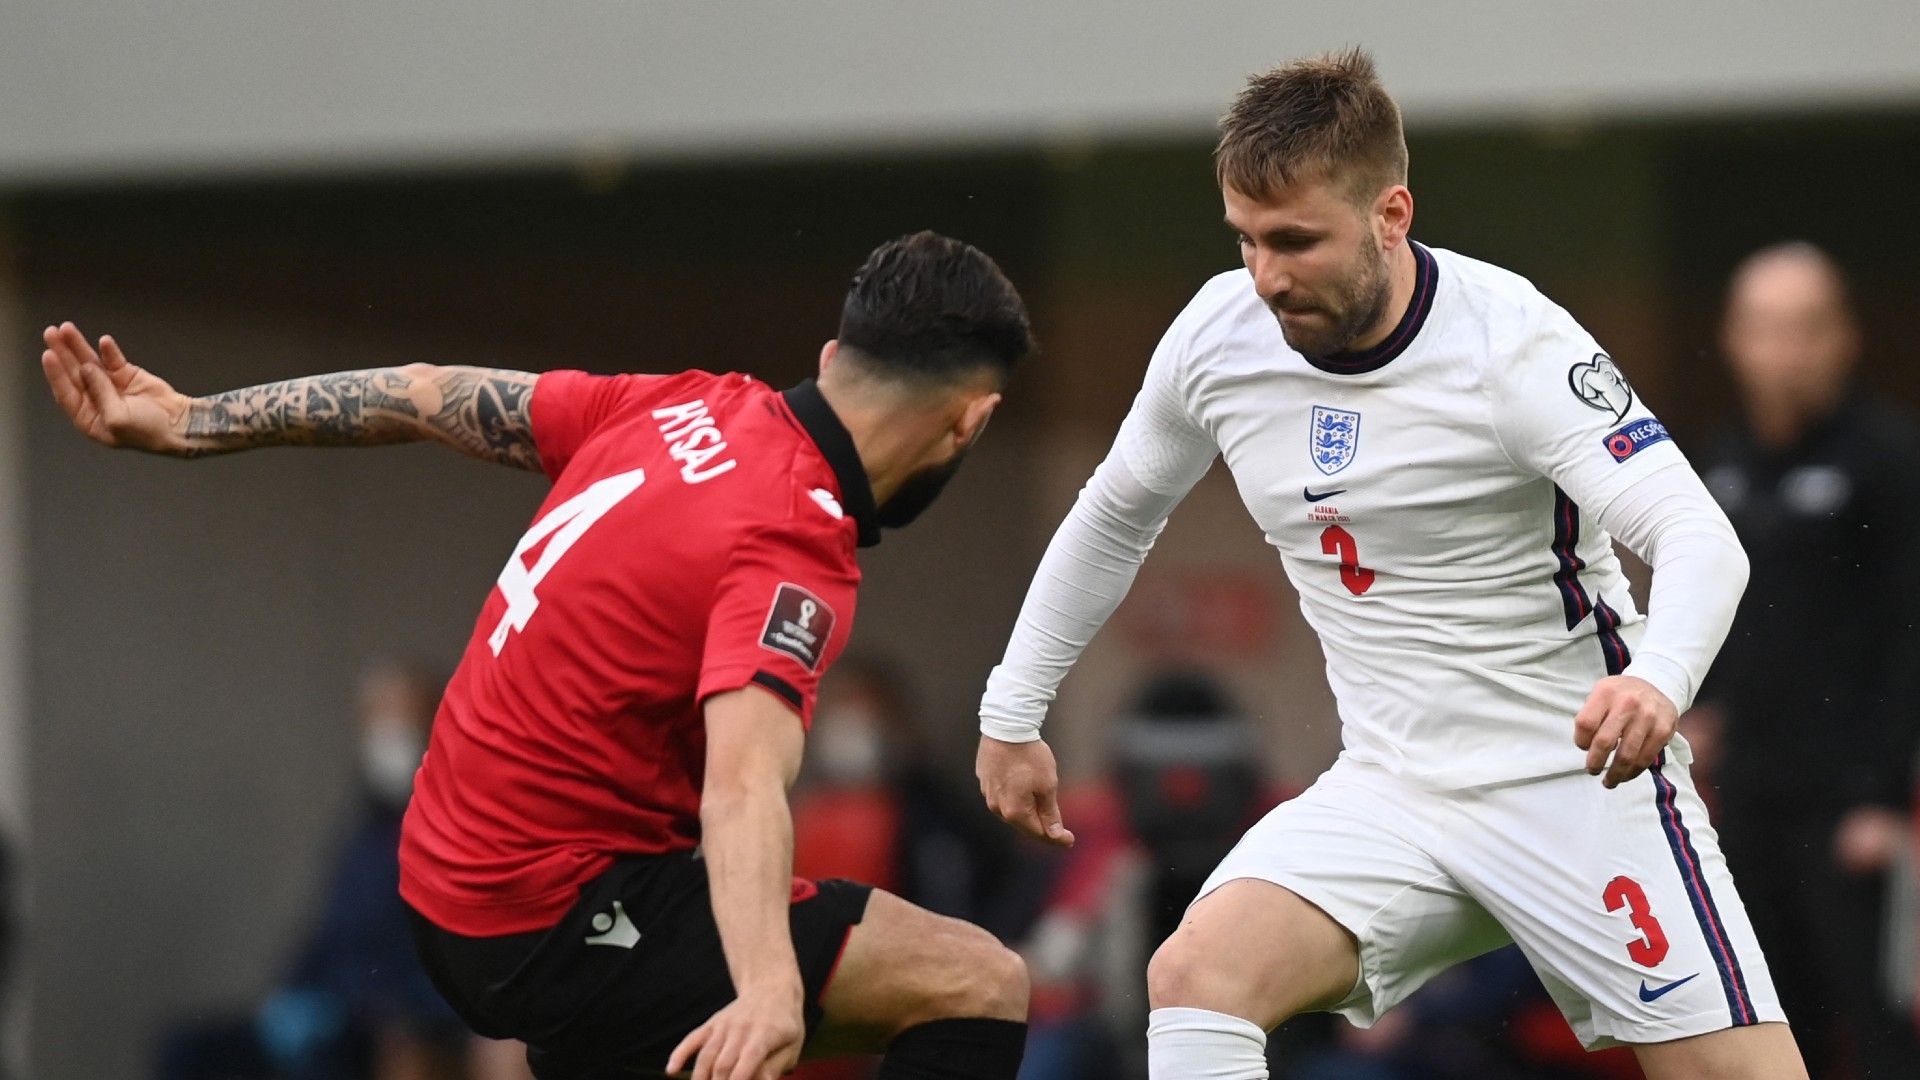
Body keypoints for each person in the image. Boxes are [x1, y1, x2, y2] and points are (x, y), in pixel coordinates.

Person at [972, 50, 1805, 1080]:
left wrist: (1658, 682)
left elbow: (1697, 534)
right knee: (1196, 973)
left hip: (1580, 787)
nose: (1267, 276)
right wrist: (1014, 710)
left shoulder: (1514, 347)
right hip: (1393, 793)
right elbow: (1113, 515)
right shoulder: (1218, 339)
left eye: (1296, 241)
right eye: (1246, 241)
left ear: (1392, 215)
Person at [43, 230, 1035, 1080]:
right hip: (546, 914)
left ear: (830, 356)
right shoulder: (790, 538)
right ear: (970, 420)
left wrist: (192, 419)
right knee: (977, 983)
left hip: (447, 875)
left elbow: (424, 394)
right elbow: (741, 789)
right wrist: (771, 990)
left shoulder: (685, 405)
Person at [1691, 242, 1920, 1077]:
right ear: (1735, 339)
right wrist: (1698, 704)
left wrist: (1884, 798)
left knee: (1871, 1016)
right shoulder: (1717, 462)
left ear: (1842, 338)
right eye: (1764, 329)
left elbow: (1906, 636)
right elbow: (1714, 610)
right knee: (1768, 1018)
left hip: (1848, 806)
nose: (1783, 352)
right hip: (1748, 796)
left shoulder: (1886, 460)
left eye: (1803, 330)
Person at [156, 660, 475, 1080]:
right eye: (379, 722)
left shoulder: (460, 830)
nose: (390, 738)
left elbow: (453, 960)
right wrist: (287, 998)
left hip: (386, 1025)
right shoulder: (362, 835)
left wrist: (402, 1018)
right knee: (187, 1050)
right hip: (326, 1007)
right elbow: (325, 934)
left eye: (404, 721)